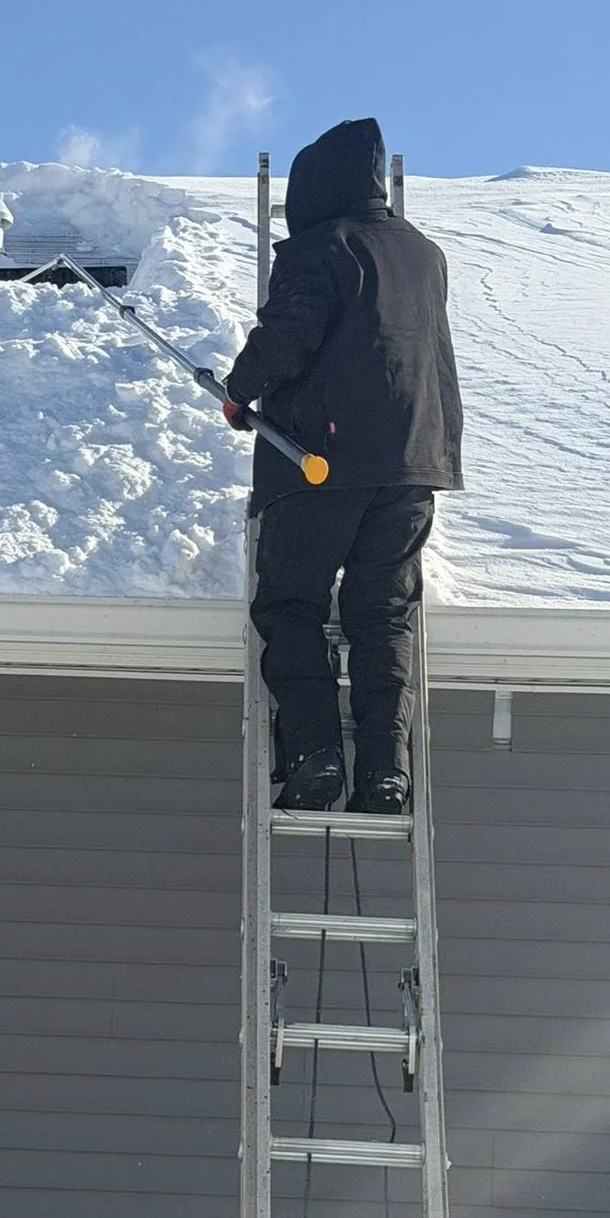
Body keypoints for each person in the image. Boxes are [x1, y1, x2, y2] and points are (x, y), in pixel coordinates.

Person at [220, 117, 463, 812]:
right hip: (416, 462)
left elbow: (290, 333)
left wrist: (240, 391)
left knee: (292, 606)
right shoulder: (425, 254)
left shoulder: (319, 250)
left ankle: (316, 757)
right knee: (381, 616)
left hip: (318, 463)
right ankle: (387, 771)